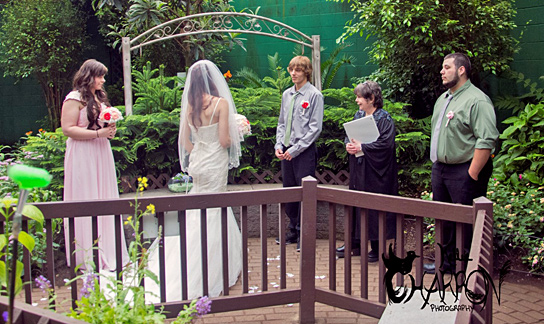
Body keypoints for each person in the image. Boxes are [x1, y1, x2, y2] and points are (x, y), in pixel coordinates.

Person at [146, 60, 243, 301]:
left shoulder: (189, 106)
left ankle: (183, 255)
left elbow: (185, 142)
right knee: (215, 208)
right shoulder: (220, 104)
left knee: (196, 209)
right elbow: (223, 141)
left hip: (198, 163)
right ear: (213, 80)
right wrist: (239, 132)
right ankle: (211, 265)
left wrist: (199, 149)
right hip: (215, 164)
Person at [425, 53, 499, 273]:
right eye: (442, 67)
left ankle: (470, 269)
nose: (441, 71)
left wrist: (472, 174)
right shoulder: (443, 99)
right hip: (441, 169)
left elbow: (486, 139)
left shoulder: (477, 100)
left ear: (461, 70)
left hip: (465, 169)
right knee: (445, 219)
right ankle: (447, 264)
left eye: (446, 67)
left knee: (468, 222)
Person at [61, 59, 129, 271]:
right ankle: (86, 255)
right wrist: (97, 133)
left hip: (101, 151)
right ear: (89, 76)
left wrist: (109, 127)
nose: (103, 80)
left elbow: (102, 125)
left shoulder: (99, 98)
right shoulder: (74, 99)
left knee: (104, 195)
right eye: (100, 76)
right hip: (83, 153)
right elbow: (68, 129)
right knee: (87, 194)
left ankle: (109, 250)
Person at [335, 81, 398, 259]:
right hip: (359, 170)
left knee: (374, 207)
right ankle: (355, 243)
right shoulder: (359, 115)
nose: (357, 100)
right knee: (356, 203)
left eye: (359, 97)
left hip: (377, 174)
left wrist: (363, 147)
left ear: (371, 99)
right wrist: (349, 145)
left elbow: (386, 145)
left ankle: (377, 248)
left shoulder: (384, 119)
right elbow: (351, 135)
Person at [274, 56, 324, 251]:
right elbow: (281, 123)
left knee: (305, 192)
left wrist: (295, 150)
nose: (294, 73)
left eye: (299, 70)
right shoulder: (287, 94)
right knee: (289, 191)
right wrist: (279, 145)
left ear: (306, 72)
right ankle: (293, 230)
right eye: (291, 69)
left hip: (303, 152)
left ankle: (306, 234)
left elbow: (315, 128)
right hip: (286, 151)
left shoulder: (314, 96)